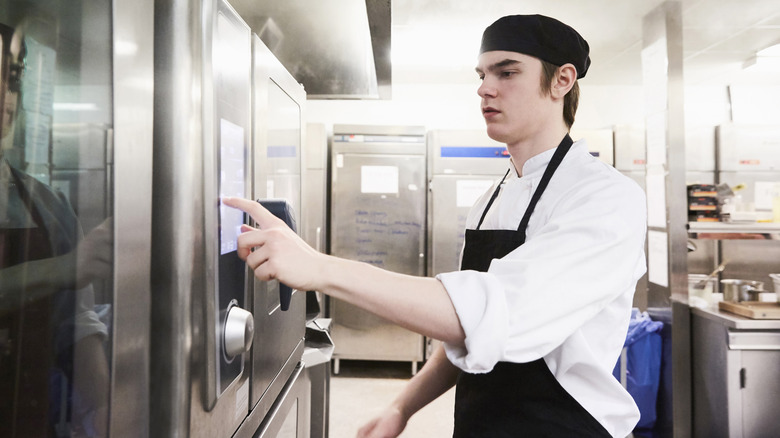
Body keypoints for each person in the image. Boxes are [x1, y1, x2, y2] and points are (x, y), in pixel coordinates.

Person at [224, 14, 647, 438]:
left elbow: (489, 313)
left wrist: (319, 267)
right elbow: (462, 332)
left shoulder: (605, 199)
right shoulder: (490, 201)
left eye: (507, 71)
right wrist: (402, 406)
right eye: (482, 74)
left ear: (562, 81)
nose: (485, 87)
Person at [0, 21, 111, 437]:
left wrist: (101, 413)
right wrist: (61, 269)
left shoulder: (48, 207)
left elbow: (78, 326)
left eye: (11, 80)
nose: (4, 97)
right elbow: (69, 273)